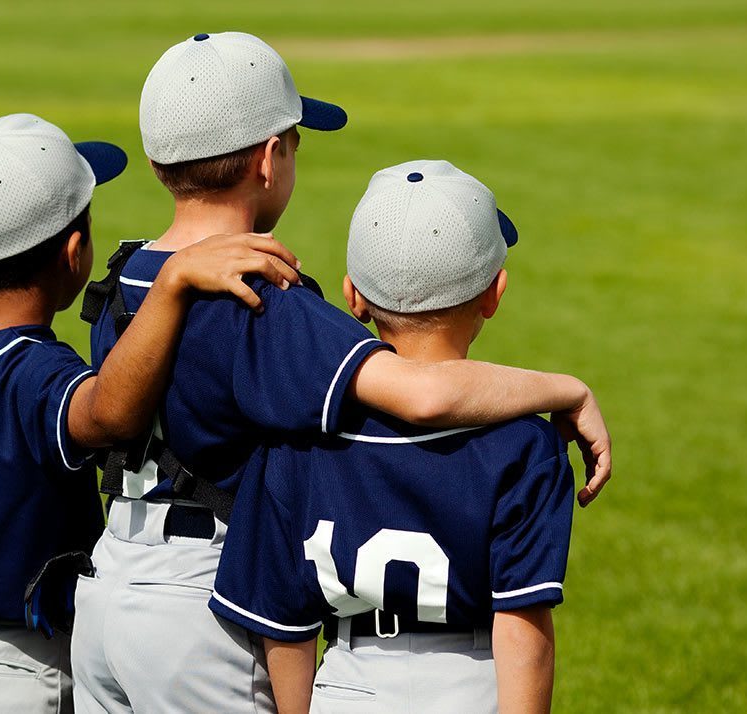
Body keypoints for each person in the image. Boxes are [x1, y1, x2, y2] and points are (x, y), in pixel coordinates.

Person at [71, 32, 610, 714]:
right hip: (201, 602)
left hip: (107, 585)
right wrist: (567, 390)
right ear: (269, 158)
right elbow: (421, 392)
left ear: (155, 160)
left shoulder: (126, 278)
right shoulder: (263, 298)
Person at [0, 112, 302, 713]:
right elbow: (109, 414)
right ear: (75, 252)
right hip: (11, 670)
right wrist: (171, 283)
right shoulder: (37, 371)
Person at [213, 160, 572, 713]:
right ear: (494, 294)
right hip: (470, 684)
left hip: (350, 684)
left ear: (352, 297)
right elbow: (524, 629)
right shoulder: (525, 443)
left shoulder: (301, 434)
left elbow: (285, 622)